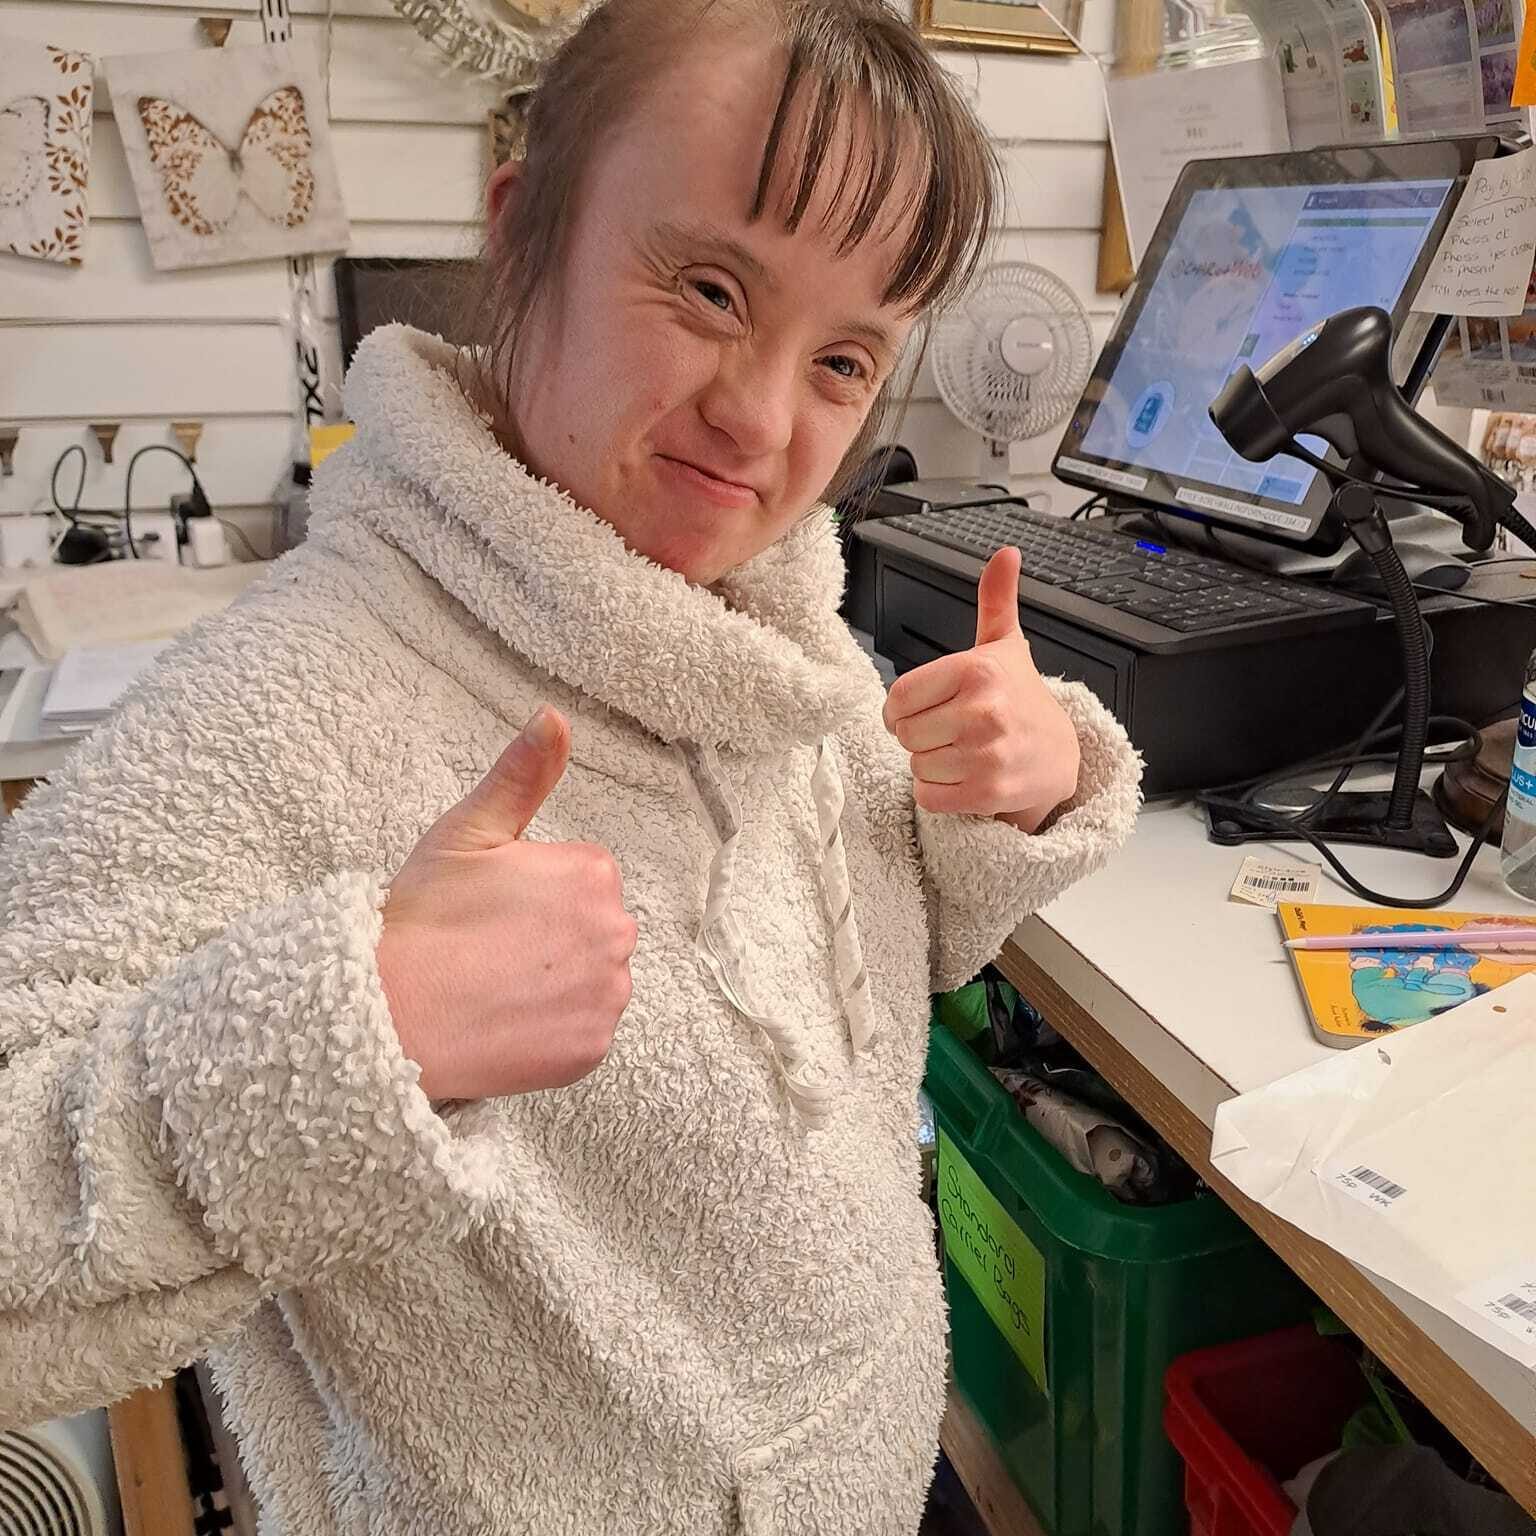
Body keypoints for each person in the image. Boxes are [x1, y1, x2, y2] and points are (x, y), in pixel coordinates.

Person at [0, 0, 1141, 1528]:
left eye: (845, 359)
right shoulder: (284, 703)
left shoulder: (766, 642)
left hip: (871, 1460)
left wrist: (1034, 778)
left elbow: (899, 953)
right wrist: (362, 1034)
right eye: (712, 287)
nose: (759, 419)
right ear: (520, 227)